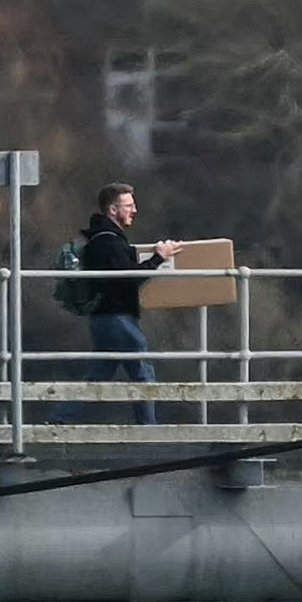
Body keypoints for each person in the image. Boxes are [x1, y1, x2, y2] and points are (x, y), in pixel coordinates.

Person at [74, 182, 183, 425]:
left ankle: (58, 420)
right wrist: (159, 258)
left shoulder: (104, 239)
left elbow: (123, 273)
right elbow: (129, 278)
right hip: (117, 318)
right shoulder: (108, 242)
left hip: (106, 318)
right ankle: (148, 430)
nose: (134, 210)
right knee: (142, 372)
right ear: (113, 210)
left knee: (97, 378)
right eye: (129, 205)